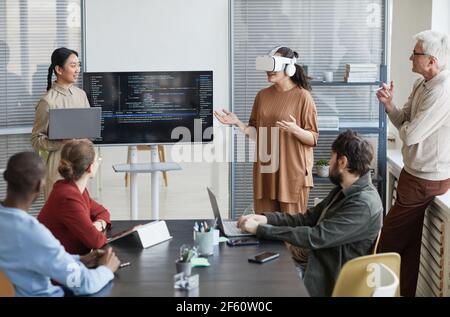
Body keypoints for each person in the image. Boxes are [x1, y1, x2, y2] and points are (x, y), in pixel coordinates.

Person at [237, 130, 382, 297]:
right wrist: (265, 218)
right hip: (315, 262)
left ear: (342, 162)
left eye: (331, 157)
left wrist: (261, 230)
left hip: (327, 278)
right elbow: (307, 218)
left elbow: (316, 236)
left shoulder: (363, 204)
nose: (328, 162)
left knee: (260, 282)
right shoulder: (344, 191)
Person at [376, 30, 450, 297]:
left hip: (425, 179)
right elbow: (404, 119)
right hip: (414, 174)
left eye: (415, 54)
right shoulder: (423, 84)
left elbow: (410, 134)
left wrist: (405, 126)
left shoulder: (441, 91)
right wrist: (389, 104)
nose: (410, 57)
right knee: (407, 247)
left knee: (386, 244)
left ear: (431, 60)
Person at [215, 46, 319, 214]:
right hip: (266, 171)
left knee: (291, 230)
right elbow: (257, 133)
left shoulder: (303, 97)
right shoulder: (262, 96)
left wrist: (295, 130)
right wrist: (238, 123)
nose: (268, 71)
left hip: (291, 172)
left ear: (288, 67)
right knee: (264, 227)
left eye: (273, 66)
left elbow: (313, 138)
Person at [0, 152, 120, 296]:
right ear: (40, 185)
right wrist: (107, 269)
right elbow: (83, 284)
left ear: (6, 178)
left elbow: (30, 257)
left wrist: (79, 260)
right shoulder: (33, 233)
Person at [31, 47, 90, 199]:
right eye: (72, 65)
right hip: (58, 167)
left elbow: (89, 130)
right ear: (59, 69)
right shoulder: (48, 101)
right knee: (58, 214)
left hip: (80, 165)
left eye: (78, 65)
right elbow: (36, 139)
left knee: (79, 212)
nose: (77, 70)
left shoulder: (81, 95)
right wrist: (62, 143)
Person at [38, 139, 111, 255]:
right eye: (98, 160)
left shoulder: (75, 189)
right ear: (90, 168)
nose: (98, 163)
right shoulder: (67, 198)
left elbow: (103, 212)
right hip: (57, 267)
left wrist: (99, 224)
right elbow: (96, 241)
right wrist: (96, 229)